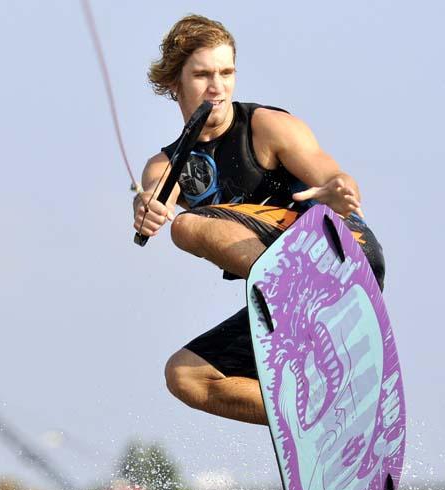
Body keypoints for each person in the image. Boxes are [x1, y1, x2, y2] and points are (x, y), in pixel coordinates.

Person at [132, 15, 385, 426]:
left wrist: (340, 189)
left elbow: (334, 176)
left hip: (337, 256)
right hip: (280, 299)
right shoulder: (166, 163)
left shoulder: (266, 127)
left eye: (226, 72)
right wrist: (147, 209)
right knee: (186, 375)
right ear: (173, 84)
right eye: (202, 74)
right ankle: (320, 412)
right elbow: (155, 194)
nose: (217, 86)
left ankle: (294, 290)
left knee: (187, 226)